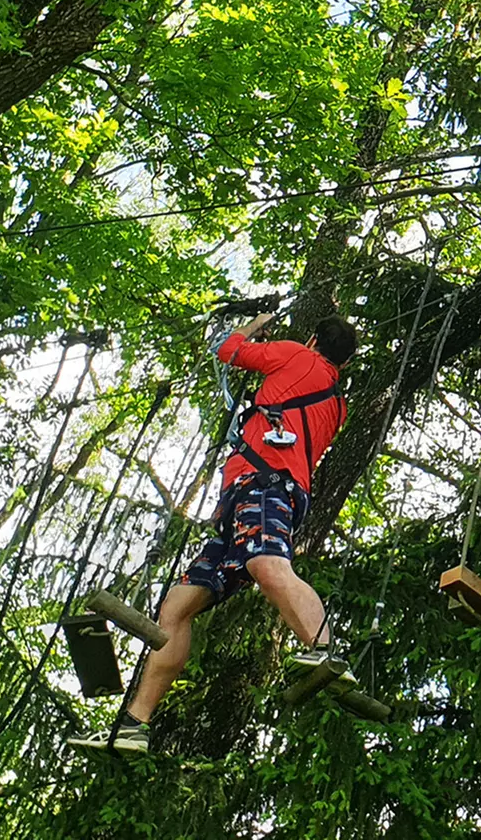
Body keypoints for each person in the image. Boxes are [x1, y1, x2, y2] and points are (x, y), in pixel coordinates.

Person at [69, 311, 357, 756]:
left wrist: (255, 325)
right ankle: (134, 723)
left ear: (315, 339)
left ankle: (325, 649)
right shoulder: (334, 400)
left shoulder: (298, 356)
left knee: (267, 563)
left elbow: (228, 349)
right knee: (177, 607)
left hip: (264, 485)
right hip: (252, 497)